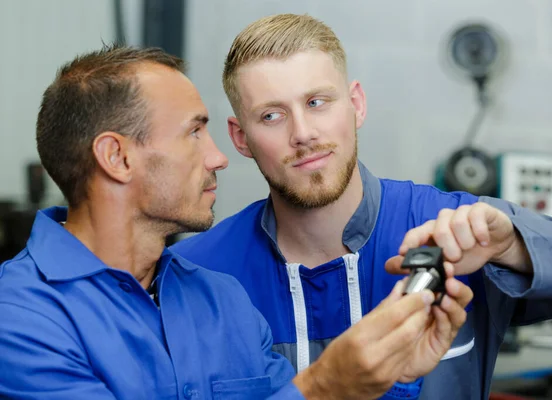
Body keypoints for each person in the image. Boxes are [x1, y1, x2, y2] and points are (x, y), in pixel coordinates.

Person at [0, 44, 474, 400]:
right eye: (193, 132)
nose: (219, 158)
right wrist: (327, 384)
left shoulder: (222, 299)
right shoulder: (20, 318)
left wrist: (385, 376)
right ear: (117, 157)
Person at [170, 13, 552, 400]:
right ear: (240, 137)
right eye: (271, 116)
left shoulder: (459, 233)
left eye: (317, 102)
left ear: (355, 104)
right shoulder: (190, 275)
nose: (302, 132)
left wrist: (516, 248)